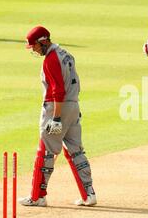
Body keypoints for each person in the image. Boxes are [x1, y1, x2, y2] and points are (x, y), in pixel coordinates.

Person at [19, 26, 97, 206]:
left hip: (57, 107)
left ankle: (37, 196)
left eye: (35, 47)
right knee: (76, 151)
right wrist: (72, 108)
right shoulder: (66, 54)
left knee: (45, 151)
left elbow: (58, 90)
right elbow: (74, 83)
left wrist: (56, 117)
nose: (35, 51)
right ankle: (89, 194)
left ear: (43, 41)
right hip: (72, 105)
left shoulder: (51, 59)